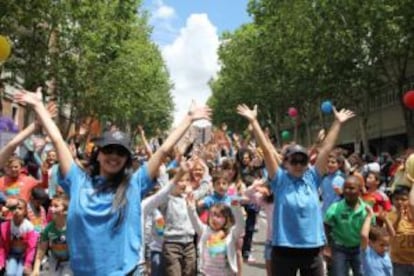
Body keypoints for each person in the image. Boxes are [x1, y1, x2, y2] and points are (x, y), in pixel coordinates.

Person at [14, 88, 211, 275]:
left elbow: (163, 150)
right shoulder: (77, 180)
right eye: (109, 150)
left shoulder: (134, 184)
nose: (114, 156)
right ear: (98, 154)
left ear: (126, 159)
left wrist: (189, 118)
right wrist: (38, 106)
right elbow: (58, 140)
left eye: (121, 152)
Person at [237, 103, 355, 276]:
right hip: (284, 249)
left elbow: (326, 149)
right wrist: (254, 122)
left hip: (312, 249)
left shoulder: (312, 178)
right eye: (294, 161)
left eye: (303, 161)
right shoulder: (280, 180)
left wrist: (337, 123)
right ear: (286, 163)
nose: (299, 165)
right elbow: (268, 152)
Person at [187, 195, 245, 275]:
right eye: (212, 215)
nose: (214, 218)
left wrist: (235, 208)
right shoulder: (205, 230)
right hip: (205, 273)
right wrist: (191, 207)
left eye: (218, 216)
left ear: (226, 219)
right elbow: (194, 221)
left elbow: (240, 225)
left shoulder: (231, 234)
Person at [32, 195, 72, 276]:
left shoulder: (72, 227)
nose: (50, 208)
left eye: (56, 206)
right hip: (54, 260)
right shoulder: (48, 229)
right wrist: (36, 269)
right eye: (50, 206)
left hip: (70, 262)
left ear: (66, 211)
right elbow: (41, 249)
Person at [0, 198, 38, 275]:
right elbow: (2, 246)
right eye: (14, 208)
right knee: (10, 273)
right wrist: (1, 261)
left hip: (24, 256)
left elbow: (31, 247)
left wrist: (28, 263)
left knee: (19, 274)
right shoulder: (5, 227)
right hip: (12, 255)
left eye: (20, 208)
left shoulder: (29, 227)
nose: (16, 210)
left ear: (25, 211)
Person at [360, 205, 394, 276]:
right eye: (382, 245)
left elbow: (392, 234)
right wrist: (369, 216)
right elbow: (364, 235)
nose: (385, 248)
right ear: (371, 243)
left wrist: (386, 219)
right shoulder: (368, 253)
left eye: (387, 245)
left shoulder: (386, 253)